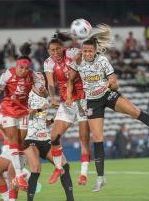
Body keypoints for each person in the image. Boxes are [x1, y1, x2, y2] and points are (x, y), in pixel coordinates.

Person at [67, 24, 149, 192]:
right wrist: (70, 96)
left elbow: (116, 84)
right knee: (97, 138)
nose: (86, 54)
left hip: (108, 94)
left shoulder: (102, 61)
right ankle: (100, 178)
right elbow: (70, 79)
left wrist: (107, 85)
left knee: (135, 112)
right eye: (84, 51)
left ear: (95, 51)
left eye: (89, 51)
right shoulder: (78, 60)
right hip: (92, 102)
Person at [0, 42, 46, 190]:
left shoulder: (33, 75)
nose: (23, 70)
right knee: (13, 140)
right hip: (9, 109)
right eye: (21, 67)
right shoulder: (8, 74)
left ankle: (20, 173)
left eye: (26, 68)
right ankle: (20, 175)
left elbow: (44, 93)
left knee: (21, 143)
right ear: (16, 66)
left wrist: (42, 86)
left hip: (24, 111)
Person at [44, 33, 91, 185]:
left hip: (83, 99)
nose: (55, 52)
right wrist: (52, 98)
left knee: (83, 139)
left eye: (58, 49)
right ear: (48, 51)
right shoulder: (48, 63)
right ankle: (58, 167)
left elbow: (80, 53)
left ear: (63, 48)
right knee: (54, 137)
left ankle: (83, 174)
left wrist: (72, 40)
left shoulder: (70, 53)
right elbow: (51, 83)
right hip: (66, 102)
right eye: (52, 50)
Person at [24, 72, 74, 201]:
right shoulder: (26, 95)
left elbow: (42, 121)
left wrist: (55, 119)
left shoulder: (44, 98)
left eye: (42, 80)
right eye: (38, 80)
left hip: (44, 138)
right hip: (30, 139)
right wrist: (41, 109)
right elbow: (25, 112)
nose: (41, 83)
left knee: (64, 166)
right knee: (35, 169)